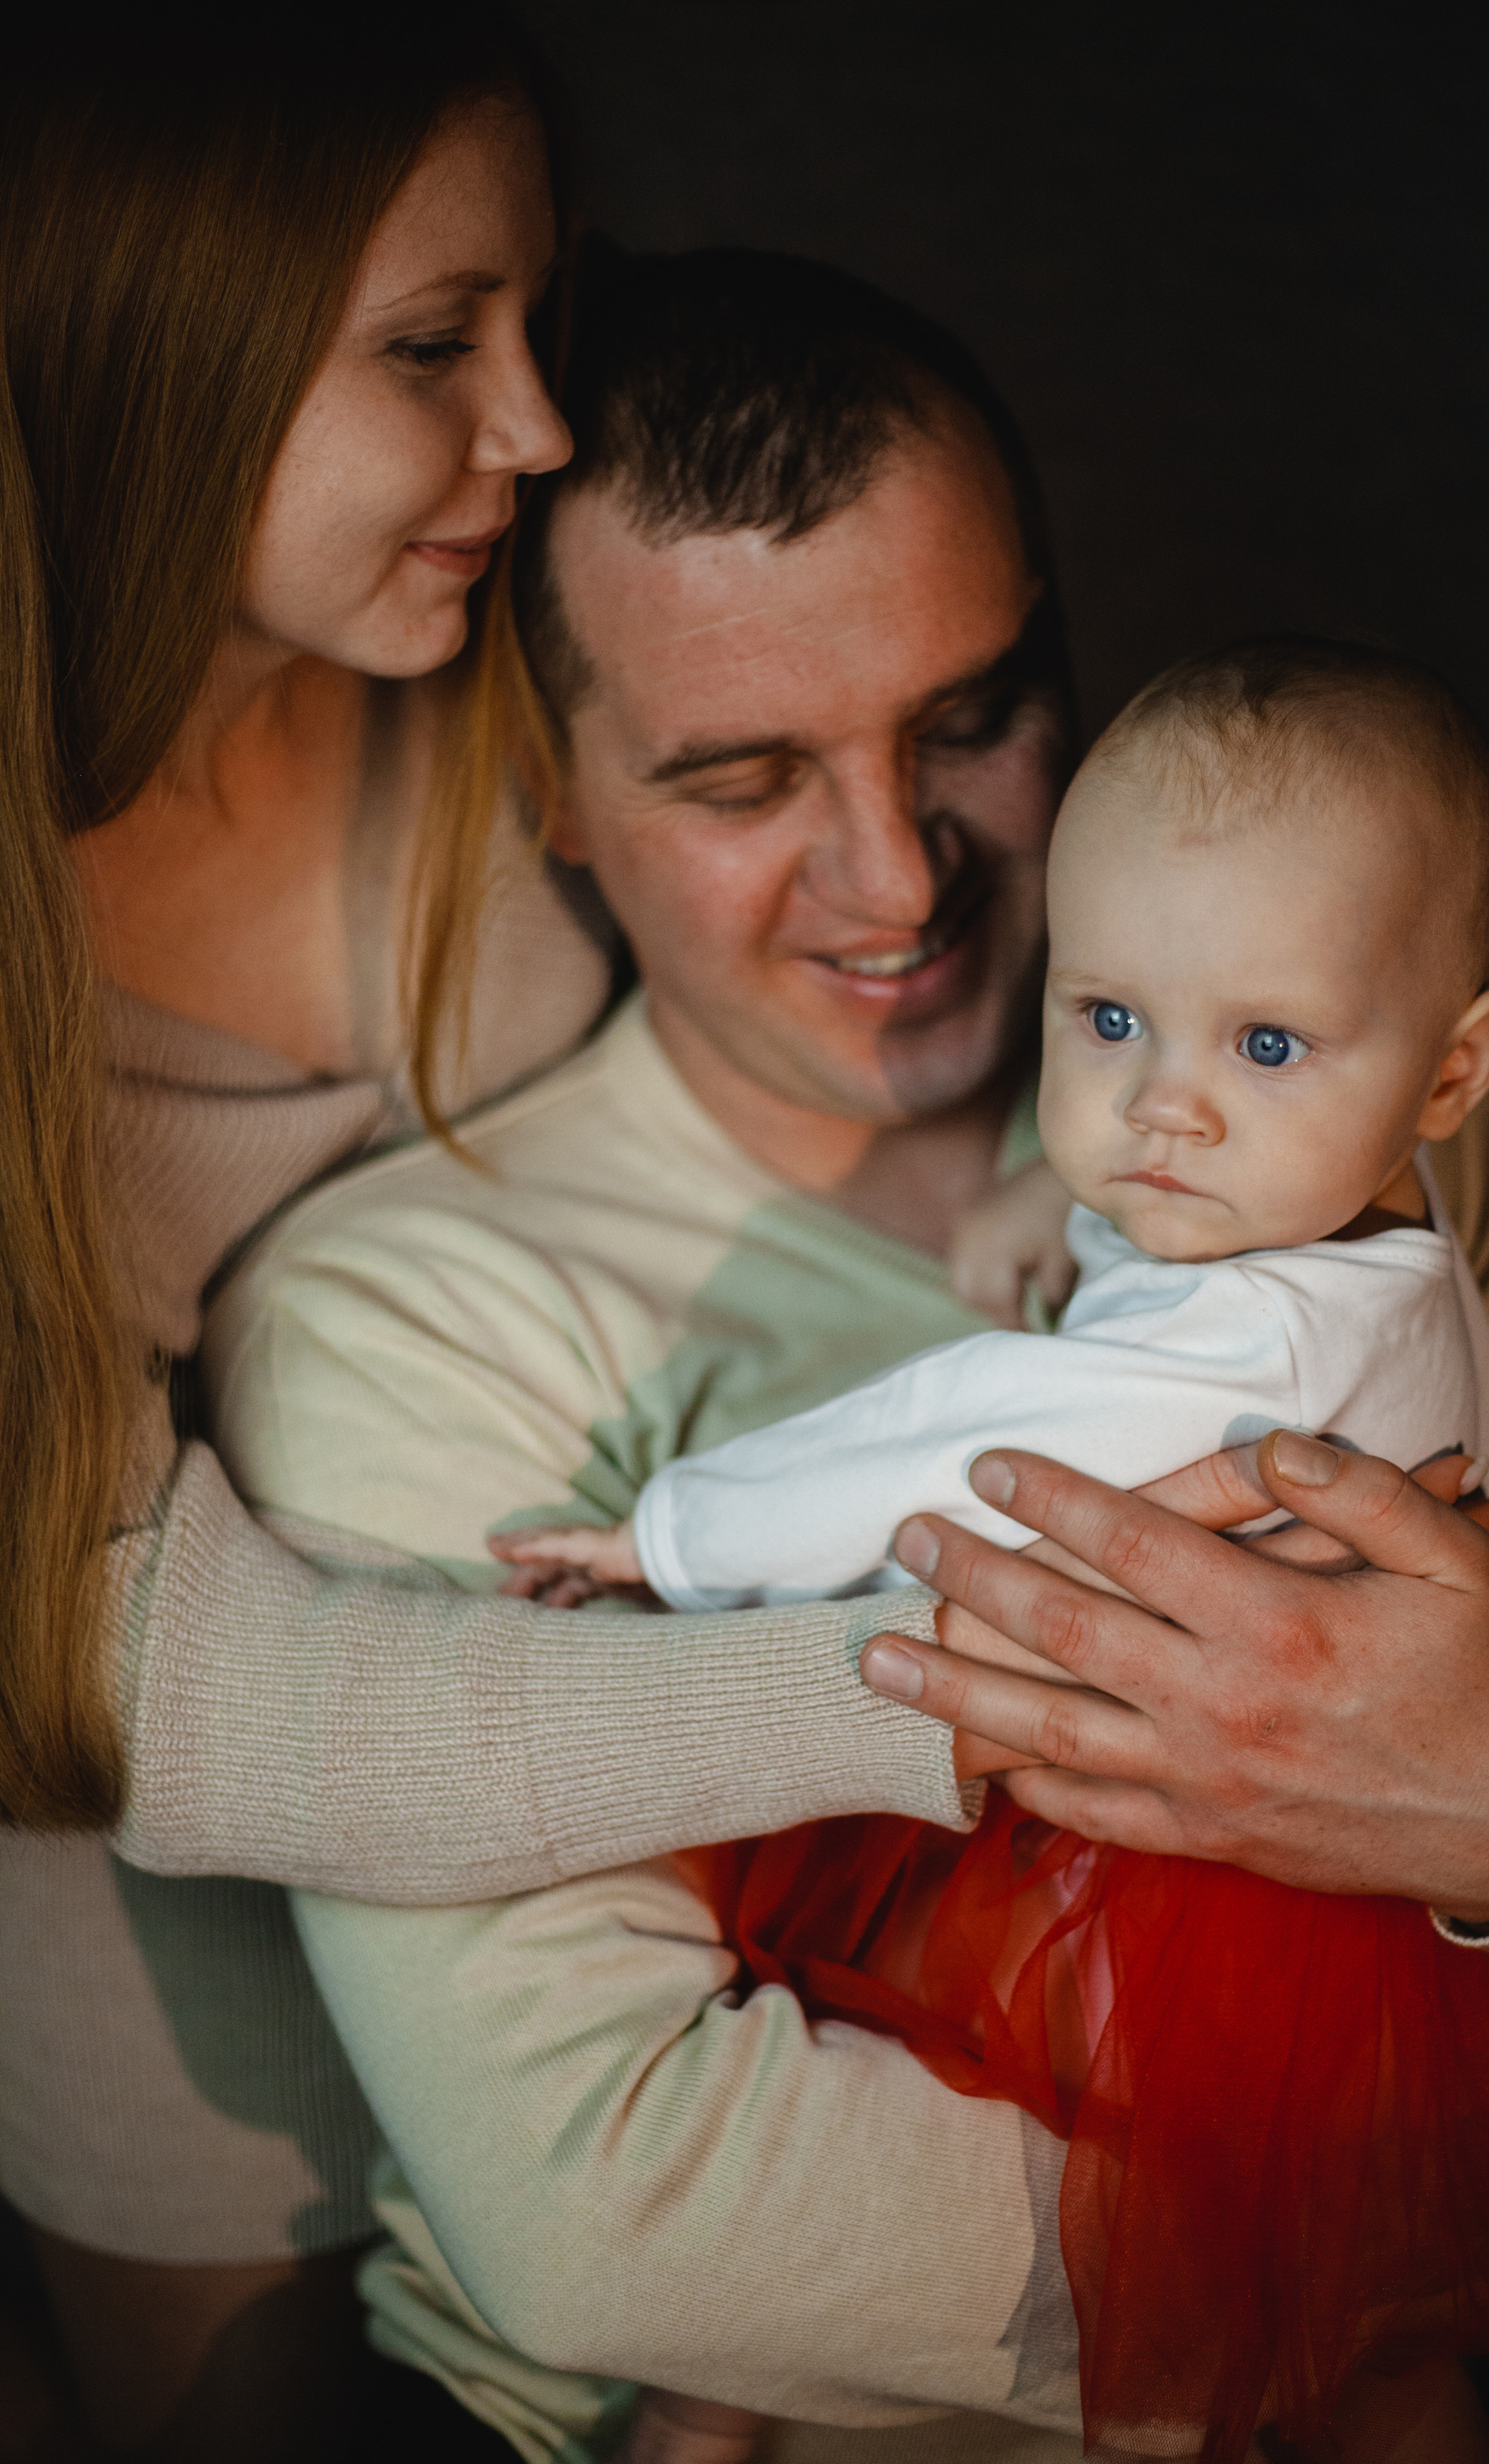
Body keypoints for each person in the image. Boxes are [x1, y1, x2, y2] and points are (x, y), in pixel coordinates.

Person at [203, 252, 1489, 2461]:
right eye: (741, 773)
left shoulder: (1413, 1134)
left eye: (972, 720)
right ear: (554, 788)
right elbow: (619, 2218)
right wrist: (1345, 2272)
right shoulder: (417, 1308)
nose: (903, 875)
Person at [2, 24, 1024, 2456]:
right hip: (195, 1857)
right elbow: (176, 1701)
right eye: (437, 347)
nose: (547, 421)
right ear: (157, 334)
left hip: (658, 1640)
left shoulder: (473, 635)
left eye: (536, 317)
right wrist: (987, 1690)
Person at [511, 635, 1489, 2462]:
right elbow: (1211, 1170)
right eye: (1109, 1020)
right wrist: (1079, 1182)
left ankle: (701, 2420)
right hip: (1330, 1871)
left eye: (1265, 1044)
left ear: (1456, 1070)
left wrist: (672, 1534)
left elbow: (964, 1447)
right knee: (1369, 2334)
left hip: (1193, 1880)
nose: (1168, 1109)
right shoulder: (1367, 1210)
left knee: (1041, 2158)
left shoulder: (1248, 1343)